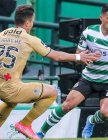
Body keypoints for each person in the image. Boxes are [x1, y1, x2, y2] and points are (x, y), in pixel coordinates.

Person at [36, 4, 108, 139]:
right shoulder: (88, 33)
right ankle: (40, 133)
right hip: (89, 78)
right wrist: (85, 58)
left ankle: (91, 120)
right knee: (67, 105)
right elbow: (78, 56)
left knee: (106, 114)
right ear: (101, 18)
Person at [0, 5, 98, 139]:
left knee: (11, 102)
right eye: (33, 21)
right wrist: (79, 56)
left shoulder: (2, 35)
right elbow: (57, 56)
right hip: (11, 89)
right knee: (52, 91)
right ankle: (25, 124)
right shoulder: (30, 39)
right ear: (28, 23)